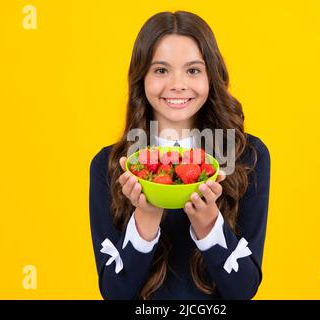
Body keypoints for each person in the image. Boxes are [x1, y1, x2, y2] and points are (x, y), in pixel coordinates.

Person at [89, 11, 271, 299]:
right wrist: (146, 216)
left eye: (193, 70)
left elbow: (243, 290)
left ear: (211, 75)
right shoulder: (109, 165)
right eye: (161, 70)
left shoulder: (247, 156)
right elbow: (115, 292)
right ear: (142, 78)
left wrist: (209, 222)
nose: (177, 84)